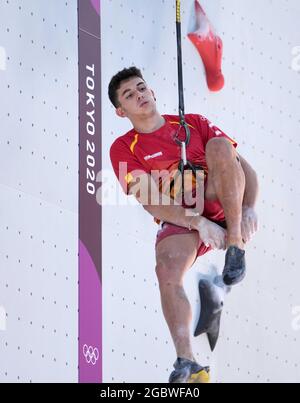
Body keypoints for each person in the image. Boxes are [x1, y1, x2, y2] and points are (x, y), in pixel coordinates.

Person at [108, 66, 259, 383]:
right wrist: (199, 223)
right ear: (122, 112)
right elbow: (151, 200)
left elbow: (244, 169)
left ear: (153, 91)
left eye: (141, 87)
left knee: (220, 147)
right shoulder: (123, 148)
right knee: (166, 269)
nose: (139, 95)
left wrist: (249, 209)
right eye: (129, 95)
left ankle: (235, 246)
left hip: (218, 198)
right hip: (181, 217)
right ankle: (188, 363)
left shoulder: (193, 123)